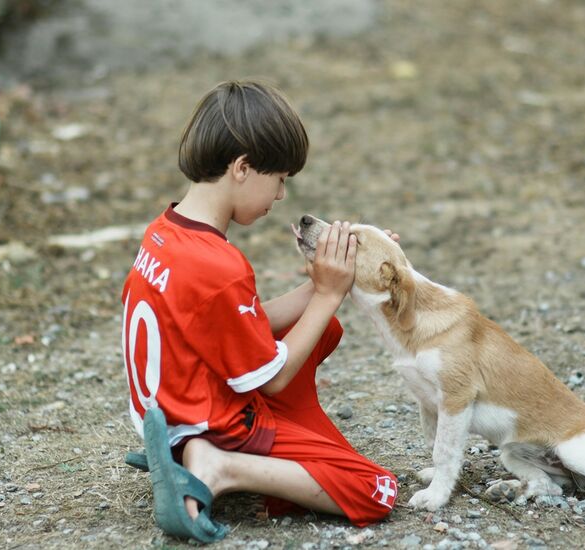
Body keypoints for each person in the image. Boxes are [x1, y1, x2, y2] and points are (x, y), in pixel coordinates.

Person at [120, 80, 399, 542]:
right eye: (280, 179)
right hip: (213, 421)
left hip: (169, 409)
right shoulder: (219, 265)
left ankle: (188, 453)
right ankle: (220, 466)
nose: (282, 195)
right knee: (375, 491)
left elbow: (226, 325)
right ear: (244, 168)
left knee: (320, 329)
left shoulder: (165, 233)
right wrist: (328, 294)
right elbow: (272, 378)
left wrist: (321, 282)